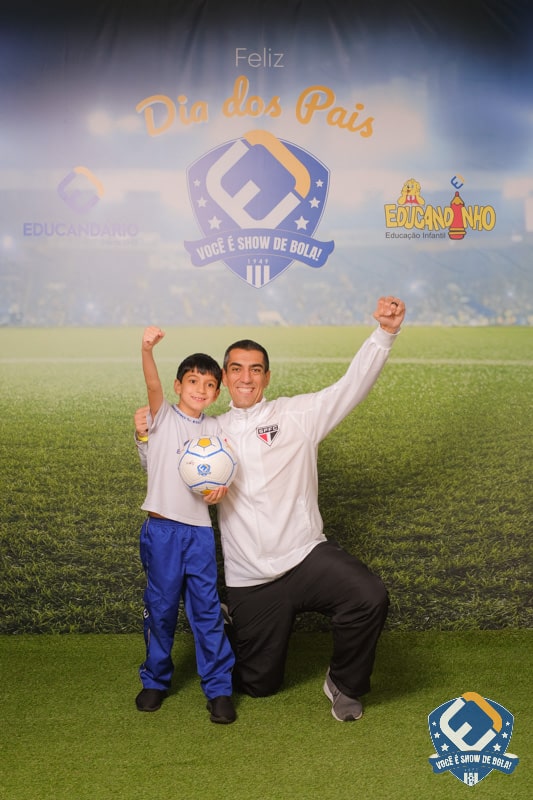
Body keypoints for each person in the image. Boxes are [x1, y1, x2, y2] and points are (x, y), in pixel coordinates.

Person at [135, 297, 405, 721]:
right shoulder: (208, 431)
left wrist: (385, 333)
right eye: (236, 369)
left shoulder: (298, 414)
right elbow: (165, 467)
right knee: (259, 685)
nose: (246, 377)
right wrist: (144, 437)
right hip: (251, 578)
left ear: (267, 376)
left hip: (306, 555)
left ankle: (344, 683)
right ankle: (229, 621)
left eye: (255, 369)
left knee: (368, 595)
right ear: (224, 380)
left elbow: (351, 386)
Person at [135, 325, 235, 723]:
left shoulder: (215, 429)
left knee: (207, 610)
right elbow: (151, 384)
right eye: (193, 381)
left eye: (210, 385)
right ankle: (155, 680)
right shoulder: (160, 417)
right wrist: (147, 350)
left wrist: (221, 489)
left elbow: (226, 470)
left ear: (217, 393)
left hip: (198, 533)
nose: (201, 389)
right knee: (161, 610)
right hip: (162, 531)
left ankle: (219, 688)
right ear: (179, 385)